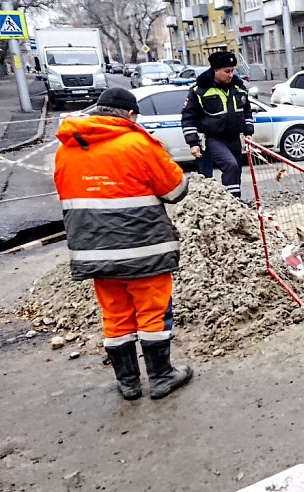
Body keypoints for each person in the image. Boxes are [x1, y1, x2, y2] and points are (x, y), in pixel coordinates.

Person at [53, 87, 193, 401]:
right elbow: (176, 190)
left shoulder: (67, 147)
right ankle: (160, 377)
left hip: (94, 252)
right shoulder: (137, 144)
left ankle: (128, 384)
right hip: (143, 250)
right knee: (153, 314)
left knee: (115, 316)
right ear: (130, 115)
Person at [181, 51, 253, 199]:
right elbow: (188, 117)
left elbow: (247, 112)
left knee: (236, 171)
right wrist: (193, 143)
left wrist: (249, 133)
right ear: (216, 70)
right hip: (213, 138)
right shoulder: (200, 90)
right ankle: (231, 202)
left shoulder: (239, 88)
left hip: (234, 138)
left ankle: (235, 202)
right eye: (227, 71)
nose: (231, 75)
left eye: (233, 70)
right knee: (230, 165)